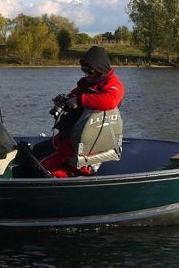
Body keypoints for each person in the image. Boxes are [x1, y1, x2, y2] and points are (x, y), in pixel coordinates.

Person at [39, 45, 125, 177]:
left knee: (42, 167)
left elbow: (111, 100)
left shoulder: (113, 84)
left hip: (81, 142)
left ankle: (56, 176)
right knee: (38, 150)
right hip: (70, 136)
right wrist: (66, 100)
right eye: (84, 70)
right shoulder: (87, 83)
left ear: (100, 70)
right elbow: (74, 95)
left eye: (89, 70)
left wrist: (80, 100)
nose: (86, 74)